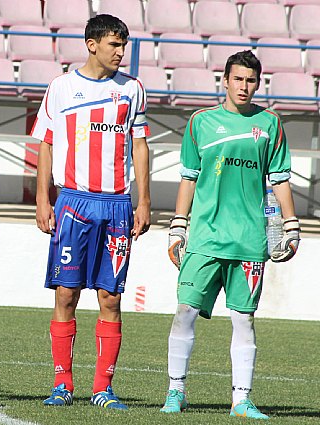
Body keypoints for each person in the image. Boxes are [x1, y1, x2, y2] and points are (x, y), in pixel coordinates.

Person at [161, 50, 300, 419]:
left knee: (243, 318)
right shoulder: (200, 122)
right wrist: (178, 224)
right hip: (205, 237)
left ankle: (241, 400)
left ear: (258, 83)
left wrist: (291, 226)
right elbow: (189, 177)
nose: (244, 86)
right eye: (238, 79)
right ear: (224, 81)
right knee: (185, 312)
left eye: (251, 80)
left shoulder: (270, 124)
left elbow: (281, 179)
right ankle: (176, 392)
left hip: (250, 241)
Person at [31, 14, 151, 410]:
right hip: (74, 203)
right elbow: (46, 144)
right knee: (66, 294)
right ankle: (62, 384)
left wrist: (144, 200)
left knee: (110, 298)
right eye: (114, 45)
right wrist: (43, 198)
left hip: (117, 205)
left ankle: (103, 388)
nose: (121, 52)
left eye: (124, 45)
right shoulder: (62, 87)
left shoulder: (132, 89)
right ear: (91, 44)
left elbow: (139, 146)